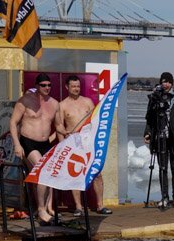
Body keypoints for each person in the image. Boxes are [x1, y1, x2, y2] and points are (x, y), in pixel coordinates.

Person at [56, 75, 112, 215]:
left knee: (97, 173)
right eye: (73, 86)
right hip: (73, 143)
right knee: (75, 175)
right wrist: (62, 145)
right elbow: (59, 127)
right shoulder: (62, 105)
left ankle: (100, 205)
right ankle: (79, 207)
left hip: (89, 142)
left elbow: (96, 120)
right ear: (67, 87)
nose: (76, 89)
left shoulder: (88, 102)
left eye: (78, 86)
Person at [9, 73, 59, 224]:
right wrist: (17, 144)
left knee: (46, 175)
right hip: (28, 141)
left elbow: (58, 126)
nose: (47, 88)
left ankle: (45, 208)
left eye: (49, 85)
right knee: (42, 171)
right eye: (43, 85)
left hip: (45, 143)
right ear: (37, 86)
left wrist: (68, 132)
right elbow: (13, 123)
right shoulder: (24, 101)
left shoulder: (55, 103)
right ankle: (42, 210)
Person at [143, 71, 174, 209]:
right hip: (160, 137)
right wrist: (148, 133)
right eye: (164, 81)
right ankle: (164, 197)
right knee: (162, 168)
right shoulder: (155, 98)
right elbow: (150, 118)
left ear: (171, 83)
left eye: (168, 82)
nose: (166, 84)